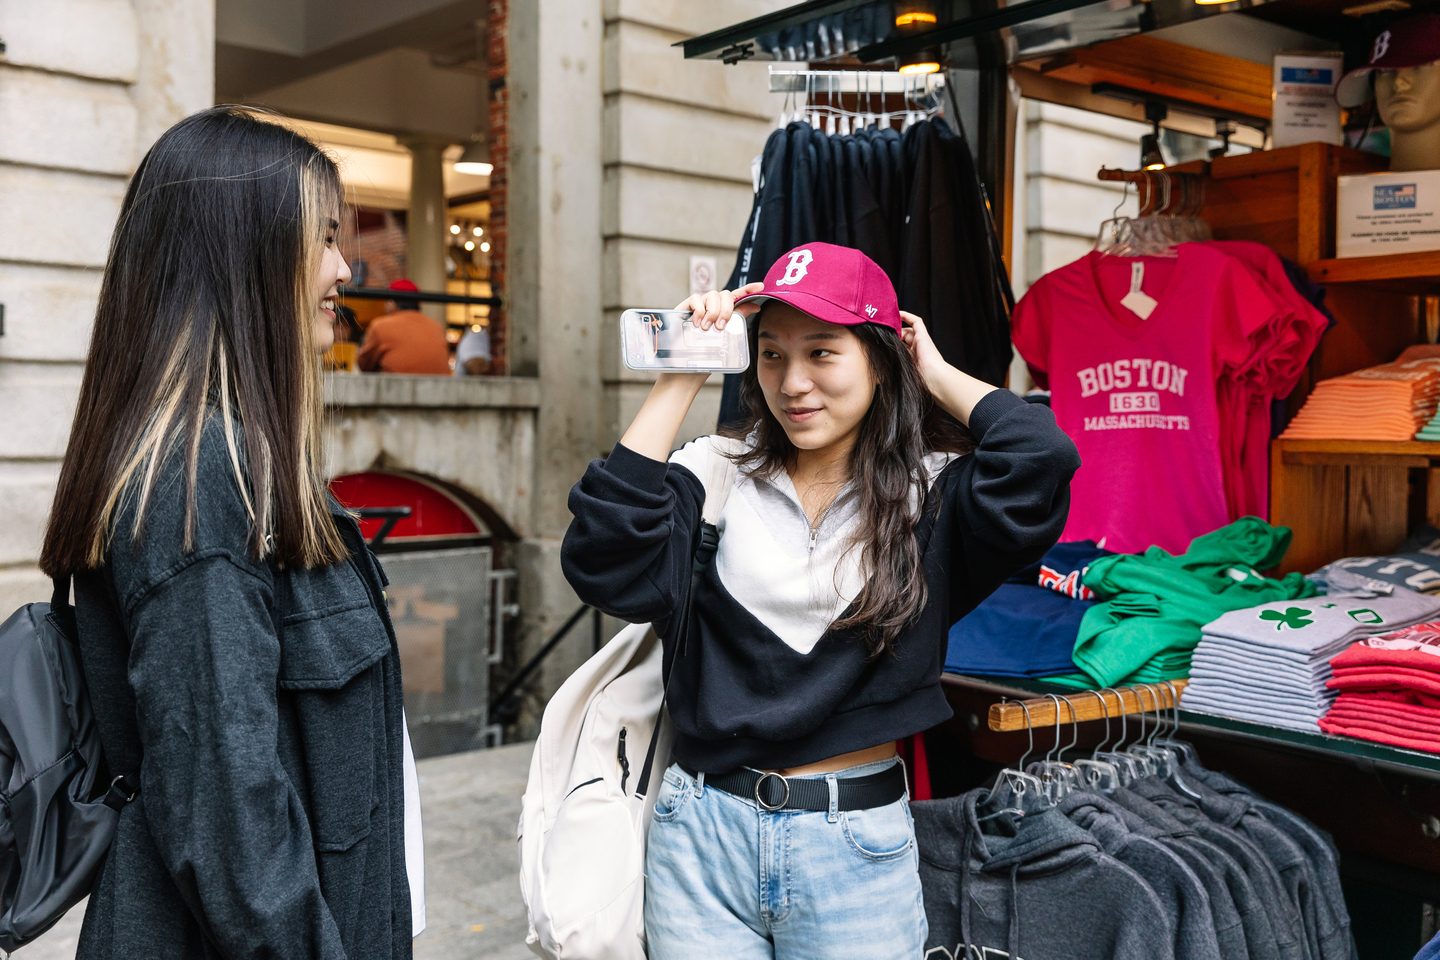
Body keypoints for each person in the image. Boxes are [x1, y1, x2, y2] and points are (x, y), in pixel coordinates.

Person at [560, 242, 1080, 958]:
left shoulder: (932, 493)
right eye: (770, 354)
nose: (792, 381)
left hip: (855, 846)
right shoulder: (715, 472)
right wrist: (682, 373)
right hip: (699, 835)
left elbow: (1040, 459)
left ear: (877, 356)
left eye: (822, 353)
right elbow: (601, 560)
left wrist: (931, 369)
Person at [39, 106, 422, 960]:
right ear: (242, 248)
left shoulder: (227, 459)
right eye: (323, 237)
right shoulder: (199, 475)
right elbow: (230, 818)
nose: (344, 266)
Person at [356, 277, 451, 374]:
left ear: (392, 302)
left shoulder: (381, 326)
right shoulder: (436, 327)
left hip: (396, 388)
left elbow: (363, 365)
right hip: (441, 388)